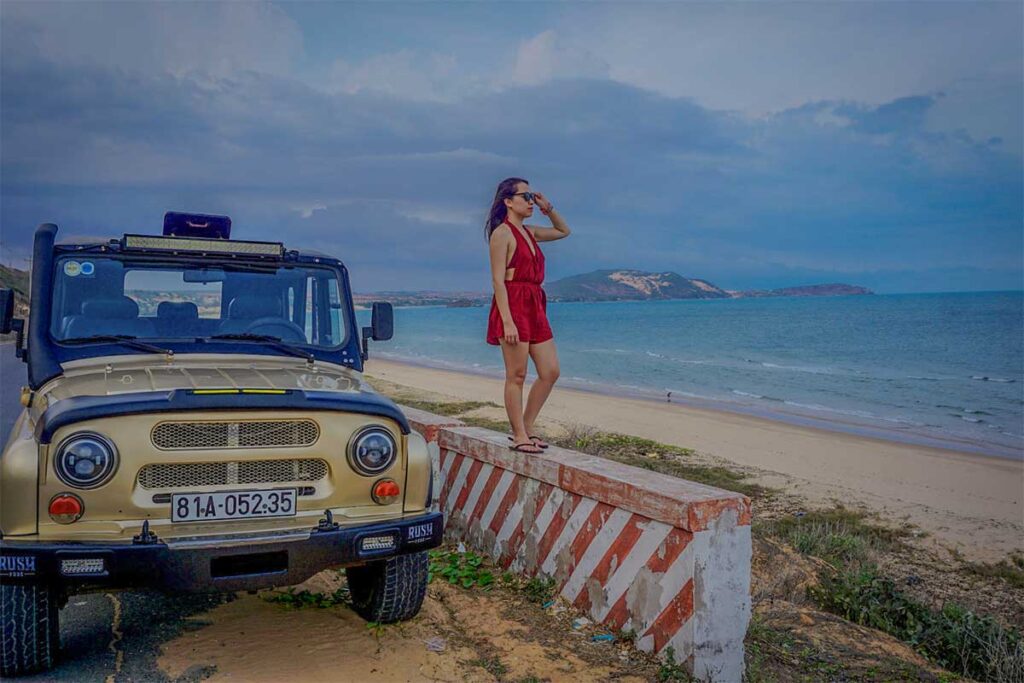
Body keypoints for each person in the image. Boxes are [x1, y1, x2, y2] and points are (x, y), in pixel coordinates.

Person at [485, 177, 571, 454]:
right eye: (526, 197)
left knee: (550, 371)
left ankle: (528, 425)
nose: (531, 202)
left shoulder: (530, 232)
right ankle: (519, 434)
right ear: (508, 201)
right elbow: (498, 281)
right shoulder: (503, 234)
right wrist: (507, 320)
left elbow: (563, 230)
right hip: (513, 304)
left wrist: (549, 207)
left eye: (532, 197)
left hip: (535, 304)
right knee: (517, 375)